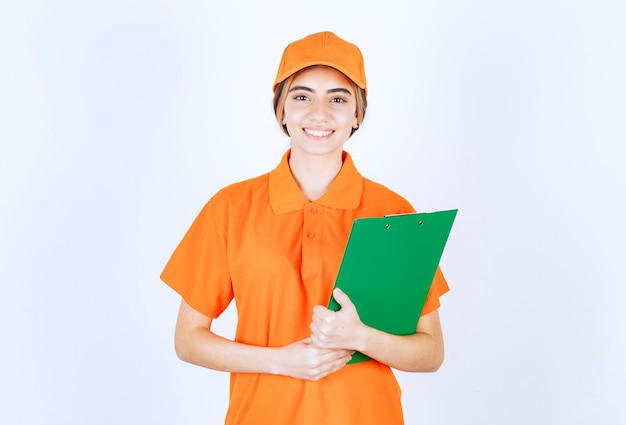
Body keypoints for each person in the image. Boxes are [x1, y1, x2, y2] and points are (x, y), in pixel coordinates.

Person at [160, 31, 449, 425]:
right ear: (281, 110)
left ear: (357, 114)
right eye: (302, 96)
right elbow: (188, 340)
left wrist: (359, 337)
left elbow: (430, 352)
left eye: (338, 98)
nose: (320, 112)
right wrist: (281, 361)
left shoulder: (394, 212)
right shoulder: (229, 208)